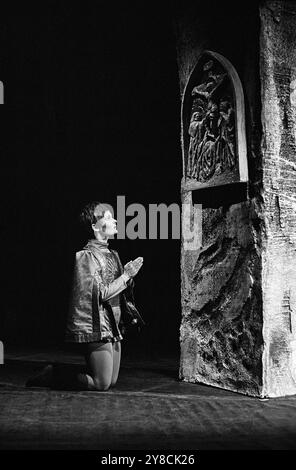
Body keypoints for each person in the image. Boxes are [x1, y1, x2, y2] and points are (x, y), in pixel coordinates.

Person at [26, 201, 144, 391]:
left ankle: (66, 373)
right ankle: (53, 374)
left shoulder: (113, 254)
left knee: (110, 382)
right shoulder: (86, 256)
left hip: (114, 325)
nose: (114, 220)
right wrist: (126, 276)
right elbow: (102, 293)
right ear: (94, 226)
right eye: (108, 217)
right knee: (101, 383)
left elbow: (120, 291)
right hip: (99, 325)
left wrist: (129, 278)